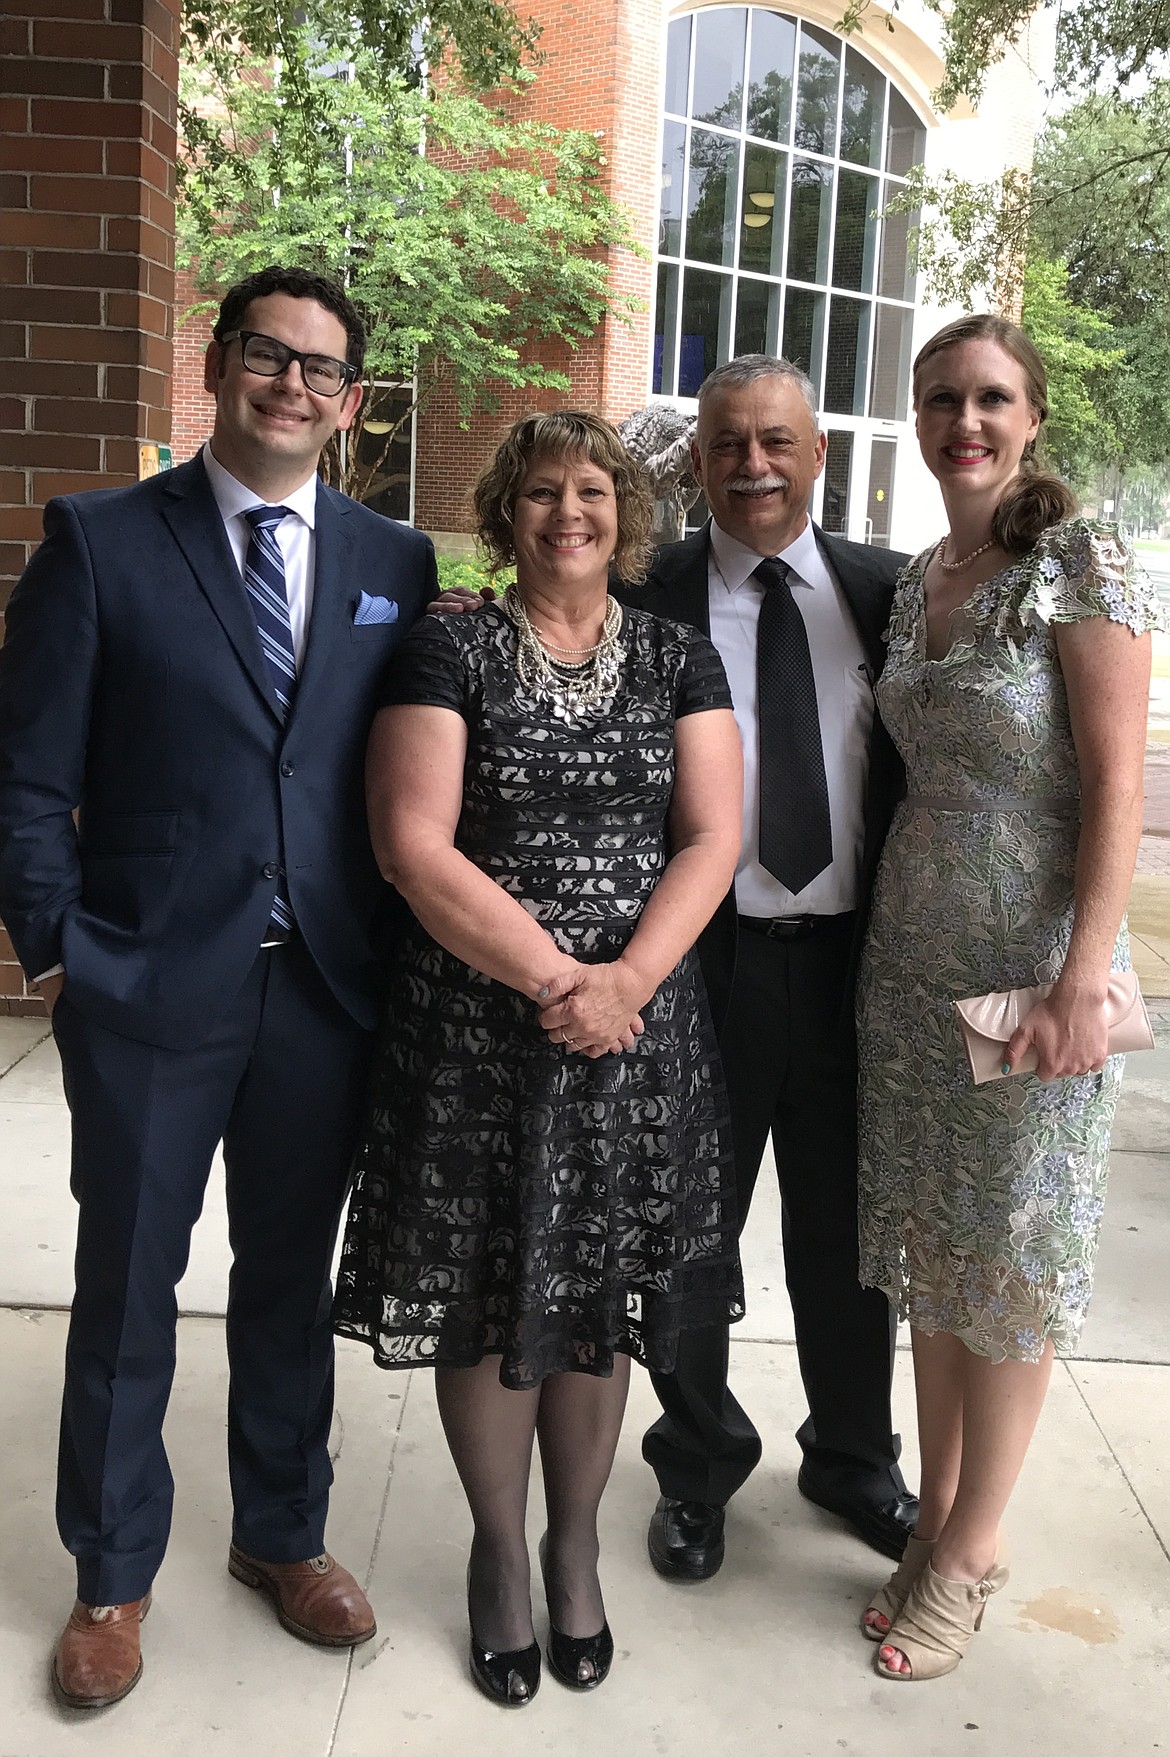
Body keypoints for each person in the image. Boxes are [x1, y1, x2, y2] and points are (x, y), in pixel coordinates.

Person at [0, 265, 437, 1709]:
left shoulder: (396, 560)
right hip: (147, 983)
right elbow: (29, 776)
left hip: (321, 986)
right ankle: (112, 1572)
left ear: (351, 403)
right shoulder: (101, 540)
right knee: (127, 1284)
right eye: (268, 356)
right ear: (219, 364)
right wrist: (61, 950)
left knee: (286, 1279)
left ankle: (281, 1534)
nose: (291, 386)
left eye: (321, 370)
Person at [333, 410, 744, 1705]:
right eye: (539, 492)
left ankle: (577, 1546)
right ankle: (499, 1552)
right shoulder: (446, 644)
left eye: (592, 490)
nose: (569, 512)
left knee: (596, 1291)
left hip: (637, 1033)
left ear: (626, 511)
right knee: (486, 1284)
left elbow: (710, 840)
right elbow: (414, 846)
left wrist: (622, 983)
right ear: (505, 512)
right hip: (477, 1031)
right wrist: (556, 980)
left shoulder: (679, 655)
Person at [856, 313, 1162, 1681]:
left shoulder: (1076, 558)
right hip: (908, 965)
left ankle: (973, 1550)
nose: (961, 423)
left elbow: (1112, 781)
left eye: (987, 398)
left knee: (1013, 1264)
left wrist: (1076, 979)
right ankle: (932, 1514)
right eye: (937, 400)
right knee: (931, 1251)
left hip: (1033, 974)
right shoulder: (920, 573)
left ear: (1029, 413)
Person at [622, 356, 919, 1579]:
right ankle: (696, 1468)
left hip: (858, 960)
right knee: (690, 1228)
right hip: (704, 962)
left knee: (850, 1240)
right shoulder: (647, 596)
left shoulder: (894, 593)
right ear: (697, 459)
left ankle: (852, 1456)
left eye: (776, 442)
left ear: (819, 454)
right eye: (729, 443)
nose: (752, 465)